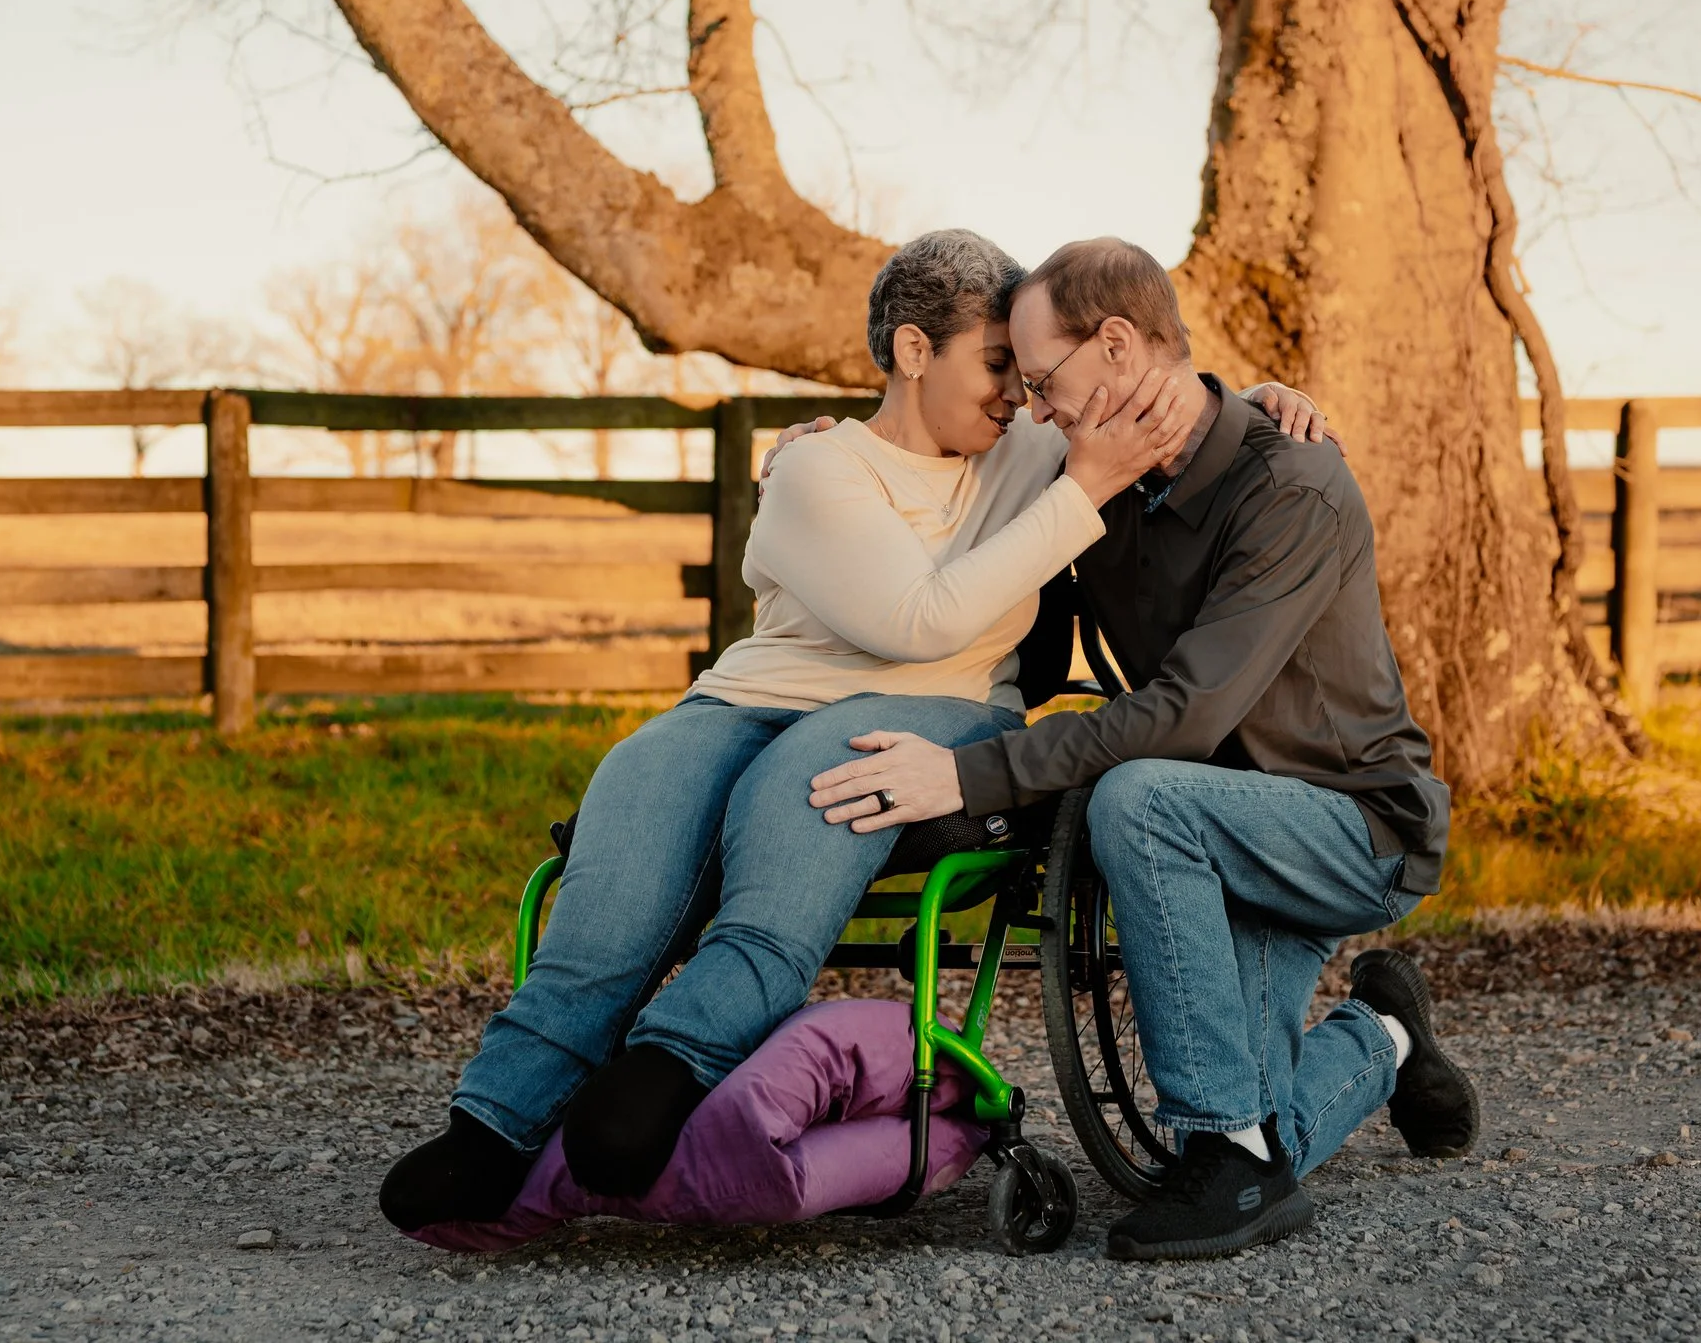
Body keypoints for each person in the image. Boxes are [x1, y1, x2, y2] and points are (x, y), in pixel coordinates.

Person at [379, 230, 1332, 1235]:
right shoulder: (816, 467)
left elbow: (1153, 393)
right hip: (747, 699)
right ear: (916, 352)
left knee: (810, 787)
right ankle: (492, 1121)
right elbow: (909, 611)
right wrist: (1081, 493)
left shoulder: (1039, 453)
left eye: (1026, 369)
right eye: (997, 364)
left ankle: (666, 1067)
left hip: (935, 711)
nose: (1021, 393)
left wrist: (1263, 390)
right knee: (637, 791)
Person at [805, 237, 1480, 1263]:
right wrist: (834, 460)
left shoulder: (1294, 486)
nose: (1034, 409)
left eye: (1045, 381)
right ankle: (1379, 1038)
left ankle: (1223, 1139)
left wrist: (965, 773)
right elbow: (1003, 622)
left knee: (1138, 796)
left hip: (1346, 823)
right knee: (1260, 1132)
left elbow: (1182, 719)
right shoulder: (1099, 487)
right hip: (1218, 825)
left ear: (1116, 345)